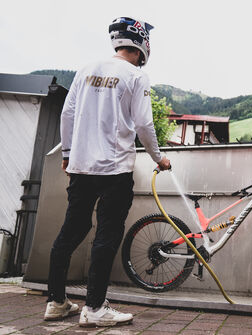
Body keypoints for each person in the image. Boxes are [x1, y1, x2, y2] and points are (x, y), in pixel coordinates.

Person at [43, 17, 171, 327]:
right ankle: (95, 308)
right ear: (140, 44)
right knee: (107, 234)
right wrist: (158, 158)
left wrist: (68, 154)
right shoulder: (136, 76)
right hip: (114, 170)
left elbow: (68, 113)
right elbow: (143, 124)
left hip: (82, 167)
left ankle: (56, 301)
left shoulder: (86, 69)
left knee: (71, 230)